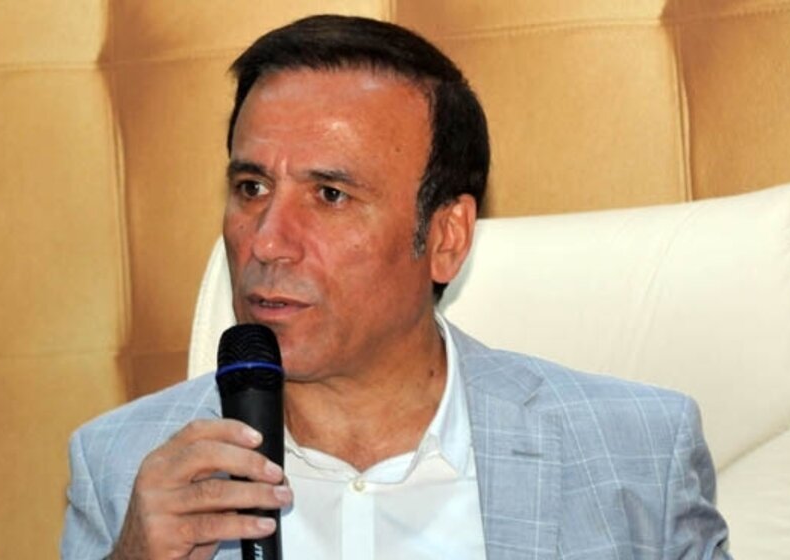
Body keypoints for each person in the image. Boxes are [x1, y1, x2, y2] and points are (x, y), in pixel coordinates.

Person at [62, 14, 731, 560]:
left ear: (446, 237)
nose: (265, 242)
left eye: (330, 194)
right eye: (252, 187)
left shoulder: (634, 455)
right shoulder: (123, 466)